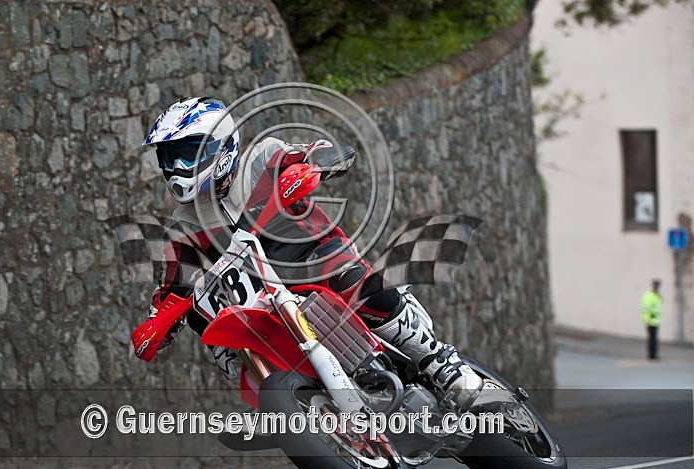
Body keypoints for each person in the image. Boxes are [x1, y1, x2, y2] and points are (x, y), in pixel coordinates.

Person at [130, 96, 482, 406]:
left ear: (222, 146)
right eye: (170, 158)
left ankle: (439, 363)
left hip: (313, 259)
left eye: (188, 155)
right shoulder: (184, 224)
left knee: (359, 286)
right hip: (260, 298)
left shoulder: (262, 157)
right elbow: (175, 286)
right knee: (205, 319)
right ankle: (283, 401)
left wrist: (314, 164)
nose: (177, 169)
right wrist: (156, 325)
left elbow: (320, 152)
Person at [641, 279, 663, 360]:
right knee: (652, 339)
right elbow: (646, 309)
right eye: (656, 285)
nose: (657, 287)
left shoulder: (657, 295)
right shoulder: (649, 295)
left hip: (655, 320)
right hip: (650, 320)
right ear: (653, 285)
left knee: (654, 339)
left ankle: (653, 355)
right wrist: (647, 320)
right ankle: (651, 356)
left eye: (658, 286)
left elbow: (658, 307)